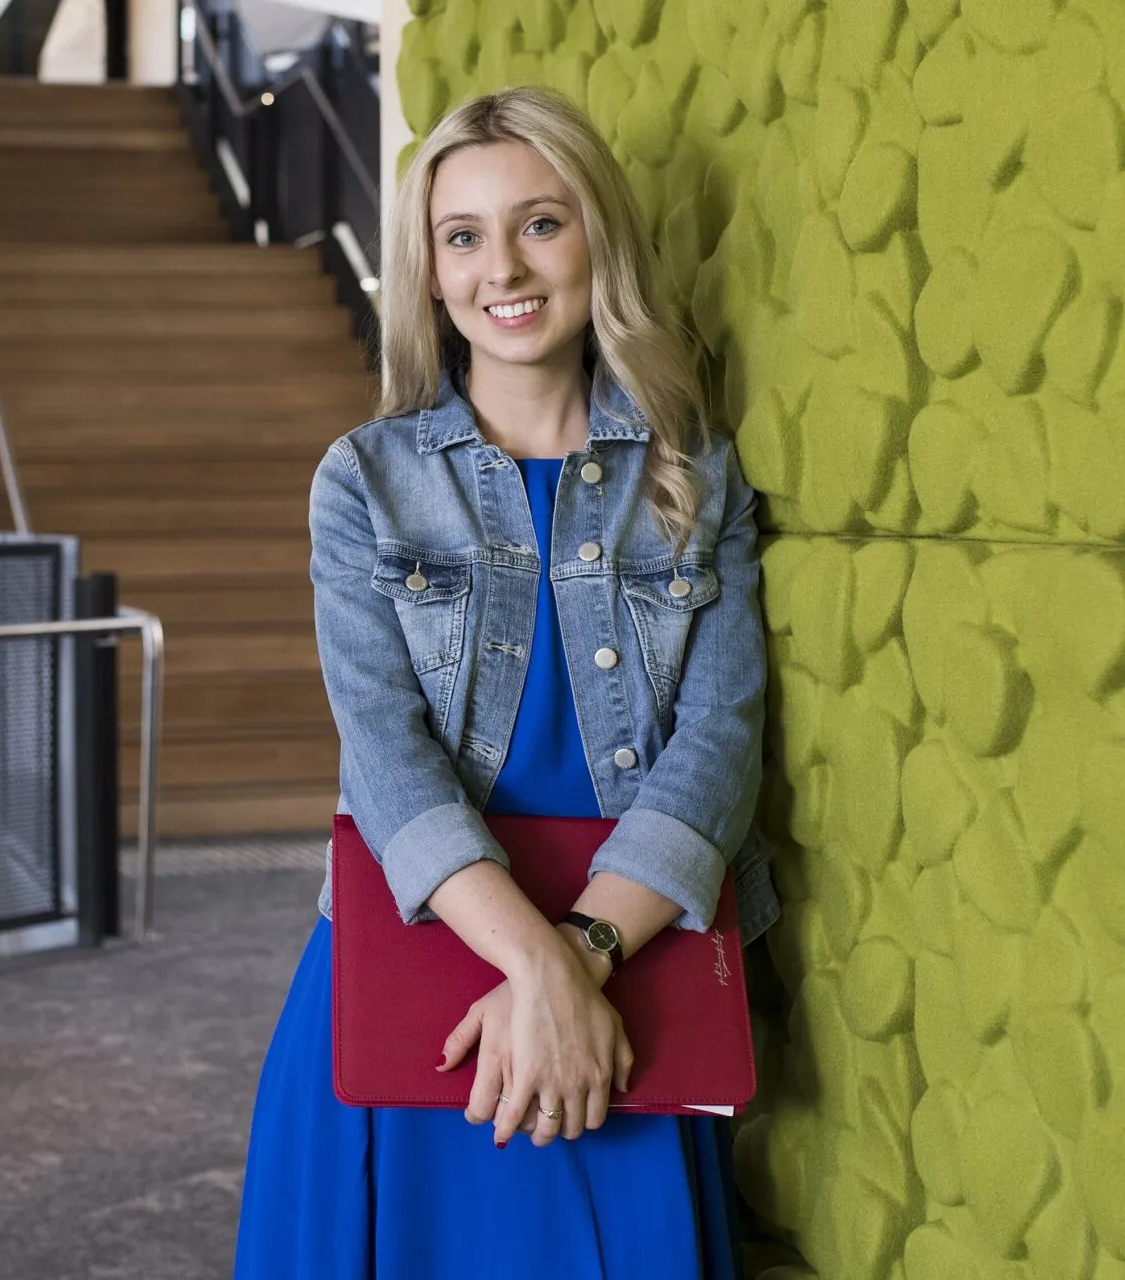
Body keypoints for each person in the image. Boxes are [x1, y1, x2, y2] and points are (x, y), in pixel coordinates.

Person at [233, 87, 777, 1277]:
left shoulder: (698, 476)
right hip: (420, 973)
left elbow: (719, 743)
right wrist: (538, 966)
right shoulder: (363, 482)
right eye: (462, 235)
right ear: (428, 272)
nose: (503, 268)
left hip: (628, 977)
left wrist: (578, 960)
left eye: (541, 222)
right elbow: (383, 755)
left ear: (598, 239)